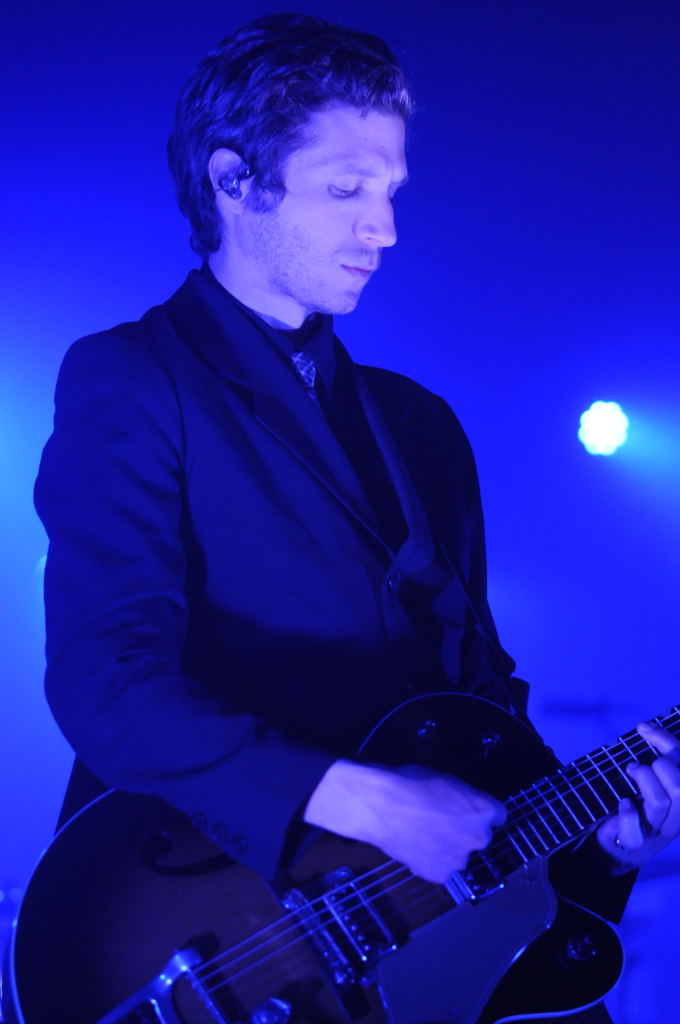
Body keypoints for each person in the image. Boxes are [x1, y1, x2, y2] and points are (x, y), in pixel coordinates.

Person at [31, 12, 680, 1023]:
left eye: (390, 192)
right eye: (346, 190)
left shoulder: (422, 423)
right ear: (234, 179)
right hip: (223, 932)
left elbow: (481, 713)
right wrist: (363, 798)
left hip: (434, 949)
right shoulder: (133, 376)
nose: (384, 229)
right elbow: (105, 682)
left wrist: (602, 843)